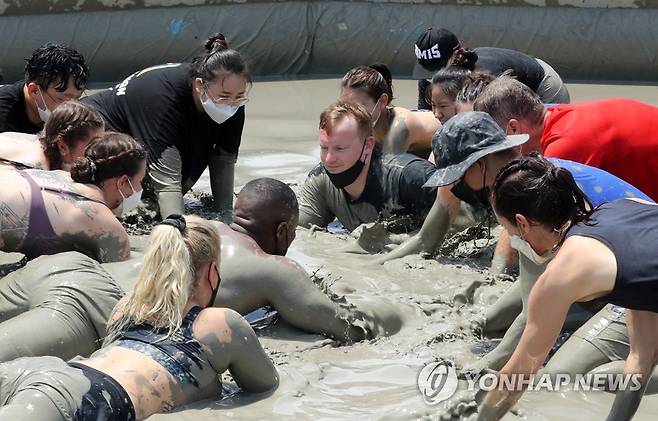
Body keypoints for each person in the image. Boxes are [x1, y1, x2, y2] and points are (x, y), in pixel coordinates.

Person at [0, 178, 401, 363]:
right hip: (87, 307)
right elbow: (344, 326)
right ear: (283, 231)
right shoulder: (273, 267)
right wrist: (402, 314)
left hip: (57, 269)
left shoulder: (194, 228)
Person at [0, 214, 278, 420]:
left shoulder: (126, 307)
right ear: (213, 272)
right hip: (88, 397)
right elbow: (267, 388)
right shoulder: (222, 324)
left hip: (48, 372)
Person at [476, 157, 658, 421]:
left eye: (509, 231)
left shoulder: (559, 275)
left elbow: (517, 376)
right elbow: (642, 357)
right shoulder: (621, 207)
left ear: (523, 224)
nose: (513, 240)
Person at [377, 112, 651, 266]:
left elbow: (510, 269)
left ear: (479, 164)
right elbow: (427, 239)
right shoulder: (516, 173)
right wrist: (377, 265)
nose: (453, 186)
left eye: (456, 177)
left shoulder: (533, 187)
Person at [84, 33, 249, 220]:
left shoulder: (232, 101)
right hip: (98, 130)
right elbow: (167, 182)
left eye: (239, 96)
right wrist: (179, 230)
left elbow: (224, 159)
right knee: (141, 209)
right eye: (224, 97)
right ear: (199, 85)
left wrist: (226, 216)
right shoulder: (164, 101)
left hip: (158, 126)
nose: (230, 104)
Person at [473, 76, 658, 201]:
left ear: (513, 128)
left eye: (498, 142)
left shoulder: (564, 146)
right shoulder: (557, 113)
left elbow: (539, 211)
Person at [0, 132, 146, 263]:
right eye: (140, 181)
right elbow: (123, 273)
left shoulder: (61, 176)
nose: (140, 189)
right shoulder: (104, 221)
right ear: (123, 181)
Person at [298, 100, 438, 231]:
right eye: (324, 148)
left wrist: (390, 241)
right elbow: (300, 231)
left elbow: (455, 223)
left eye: (340, 149)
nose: (328, 160)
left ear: (368, 145)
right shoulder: (320, 179)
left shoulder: (410, 176)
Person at [412, 28, 569, 111]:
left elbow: (502, 115)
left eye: (438, 67)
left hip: (543, 85)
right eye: (428, 70)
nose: (433, 76)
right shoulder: (429, 76)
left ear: (456, 55)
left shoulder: (484, 73)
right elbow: (425, 113)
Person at [340, 64, 439, 155]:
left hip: (445, 141)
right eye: (346, 107)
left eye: (358, 107)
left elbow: (386, 169)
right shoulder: (367, 121)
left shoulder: (399, 127)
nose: (351, 114)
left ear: (382, 101)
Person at [0, 43, 87, 134]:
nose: (72, 110)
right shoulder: (4, 117)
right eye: (63, 101)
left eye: (77, 99)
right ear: (34, 91)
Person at [0, 101, 104, 171]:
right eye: (93, 146)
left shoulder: (30, 140)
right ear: (63, 147)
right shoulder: (37, 172)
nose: (99, 153)